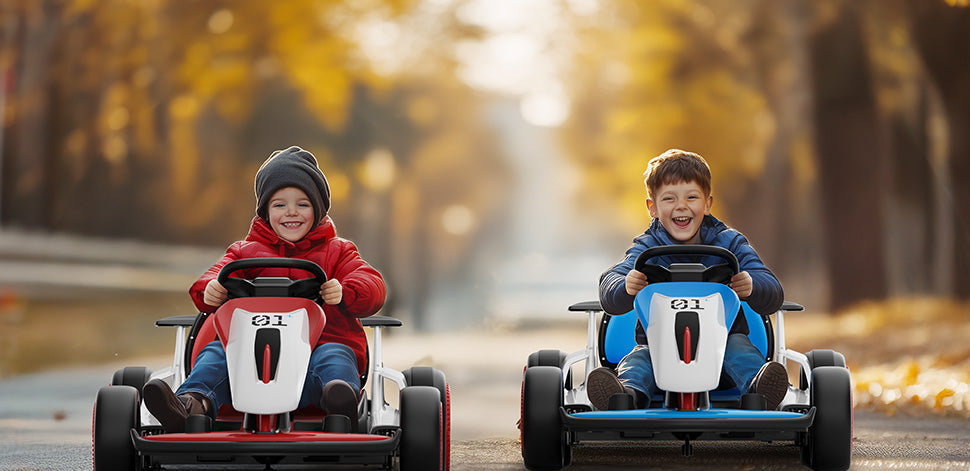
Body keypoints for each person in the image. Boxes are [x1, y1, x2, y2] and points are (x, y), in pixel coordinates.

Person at [143, 146, 386, 433]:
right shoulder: (244, 252)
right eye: (279, 205)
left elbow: (373, 284)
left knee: (335, 356)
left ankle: (340, 402)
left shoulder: (338, 251)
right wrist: (210, 289)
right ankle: (191, 404)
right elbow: (210, 279)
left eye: (303, 204)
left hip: (316, 353)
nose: (291, 212)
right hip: (246, 361)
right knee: (215, 356)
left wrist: (346, 291)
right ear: (265, 211)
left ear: (318, 209)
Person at [587, 149, 789, 411]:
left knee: (739, 351)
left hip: (723, 351)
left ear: (707, 204)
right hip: (658, 348)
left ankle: (759, 391)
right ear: (653, 208)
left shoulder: (730, 244)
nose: (681, 206)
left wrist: (752, 283)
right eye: (669, 199)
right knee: (638, 361)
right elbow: (610, 282)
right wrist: (625, 285)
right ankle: (624, 396)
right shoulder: (647, 247)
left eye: (691, 197)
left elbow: (771, 287)